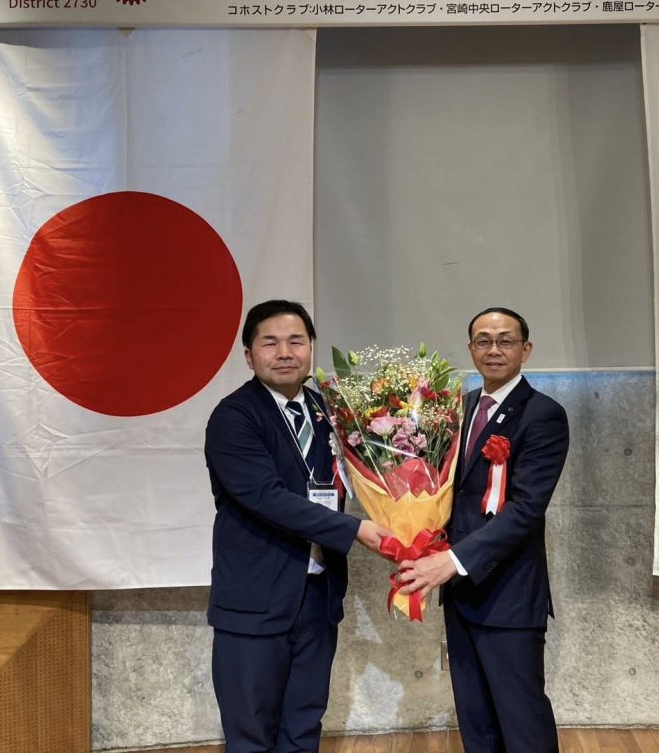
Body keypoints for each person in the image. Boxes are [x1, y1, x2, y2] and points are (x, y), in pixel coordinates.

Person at [205, 299, 390, 753]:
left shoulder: (332, 412)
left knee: (303, 727)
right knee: (252, 733)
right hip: (256, 600)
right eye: (270, 343)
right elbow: (266, 498)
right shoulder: (234, 417)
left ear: (311, 349)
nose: (285, 352)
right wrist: (354, 530)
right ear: (249, 356)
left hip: (318, 597)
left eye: (296, 341)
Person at [398, 307, 570, 753]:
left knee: (522, 722)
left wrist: (452, 561)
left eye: (505, 340)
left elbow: (526, 509)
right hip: (461, 594)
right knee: (477, 724)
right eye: (483, 340)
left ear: (525, 350)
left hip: (509, 594)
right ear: (471, 348)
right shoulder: (459, 409)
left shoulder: (543, 415)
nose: (494, 349)